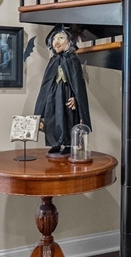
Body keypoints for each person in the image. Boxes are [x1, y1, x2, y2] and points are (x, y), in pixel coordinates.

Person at [33, 24, 91, 158]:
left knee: (68, 117)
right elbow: (46, 82)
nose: (56, 42)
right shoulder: (53, 60)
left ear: (68, 41)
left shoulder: (73, 59)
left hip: (67, 93)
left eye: (60, 38)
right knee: (52, 116)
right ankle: (55, 143)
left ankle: (68, 144)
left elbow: (77, 82)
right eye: (54, 39)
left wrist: (77, 98)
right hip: (53, 92)